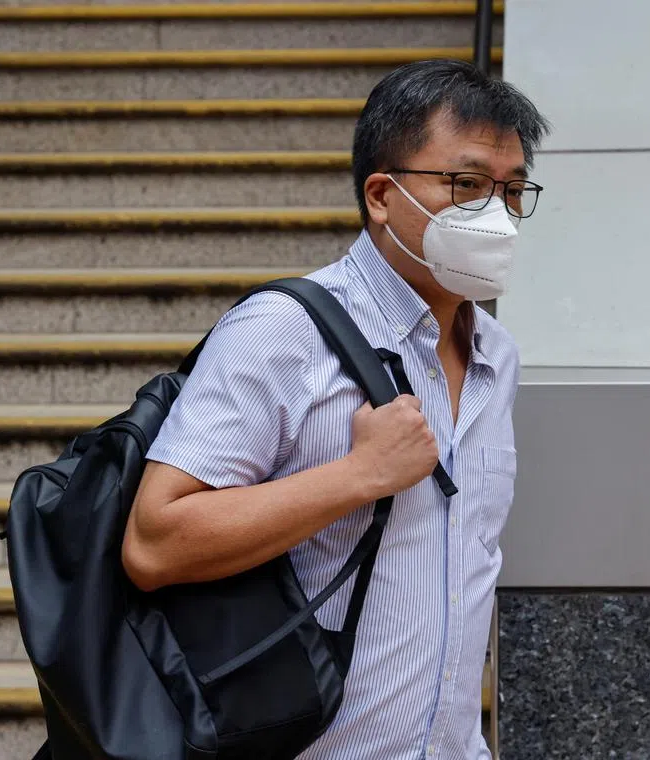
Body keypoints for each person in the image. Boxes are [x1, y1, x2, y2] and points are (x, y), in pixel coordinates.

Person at [121, 59, 550, 759]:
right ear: (382, 195)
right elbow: (154, 542)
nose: (496, 216)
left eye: (512, 191)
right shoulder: (283, 332)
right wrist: (358, 475)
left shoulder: (497, 357)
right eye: (467, 185)